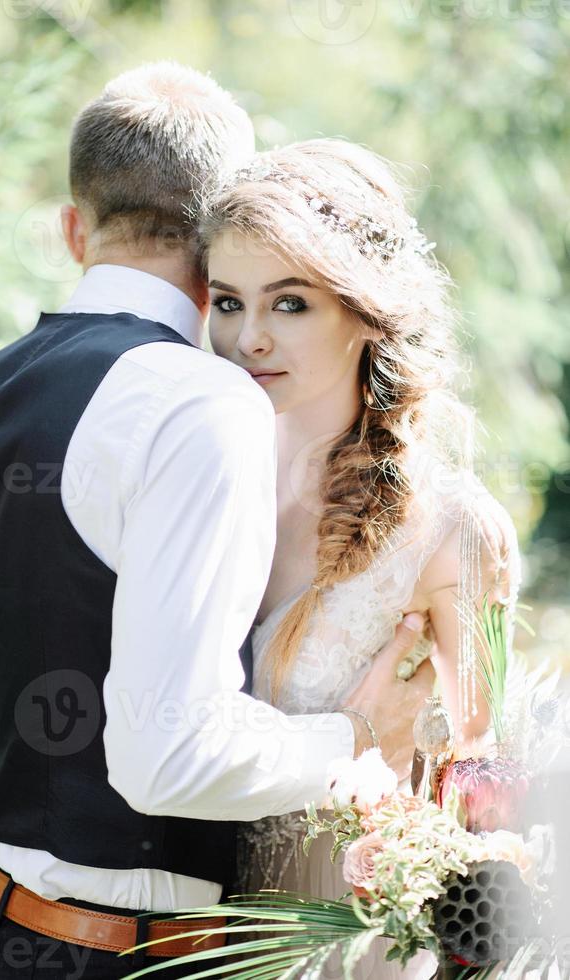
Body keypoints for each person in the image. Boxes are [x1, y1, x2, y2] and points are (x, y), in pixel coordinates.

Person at [0, 65, 432, 979]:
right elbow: (167, 758)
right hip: (131, 957)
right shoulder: (204, 403)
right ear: (218, 243)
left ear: (75, 228)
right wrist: (356, 740)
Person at [198, 139, 521, 978]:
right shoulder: (196, 495)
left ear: (363, 311)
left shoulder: (449, 529)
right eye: (227, 302)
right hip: (177, 940)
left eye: (291, 304)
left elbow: (493, 820)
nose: (249, 338)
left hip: (347, 956)